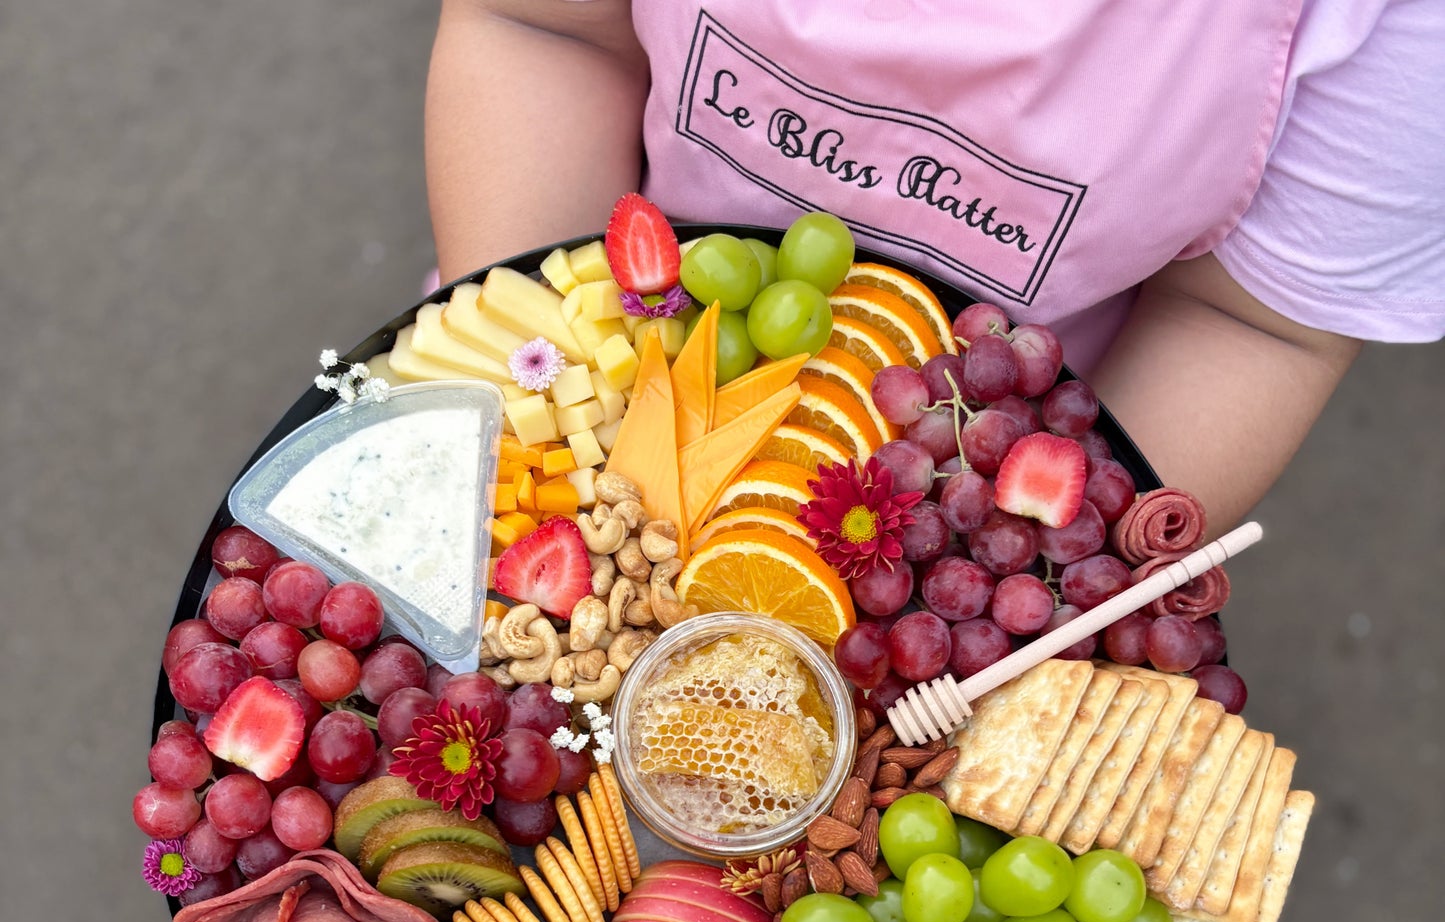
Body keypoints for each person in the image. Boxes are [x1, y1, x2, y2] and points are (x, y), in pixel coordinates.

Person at [425, 0, 1445, 531]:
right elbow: (544, 29)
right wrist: (536, 408)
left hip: (985, 465)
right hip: (599, 349)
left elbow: (1246, 320)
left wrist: (1010, 600)